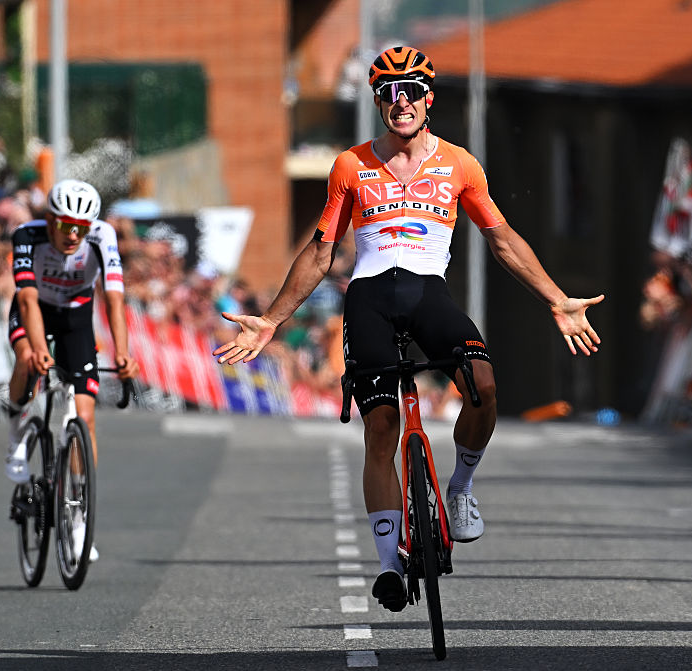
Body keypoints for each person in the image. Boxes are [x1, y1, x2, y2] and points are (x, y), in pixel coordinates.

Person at [213, 46, 603, 612]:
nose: (401, 101)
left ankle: (462, 487)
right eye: (388, 93)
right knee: (381, 429)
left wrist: (556, 299)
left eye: (411, 90)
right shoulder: (351, 166)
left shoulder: (461, 165)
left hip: (429, 294)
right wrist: (272, 320)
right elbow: (322, 253)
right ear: (377, 102)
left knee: (485, 388)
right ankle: (389, 566)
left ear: (428, 98)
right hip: (369, 297)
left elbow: (502, 239)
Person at [5, 179, 140, 561]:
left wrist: (125, 354)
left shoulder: (102, 236)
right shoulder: (26, 236)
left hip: (75, 316)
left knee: (86, 417)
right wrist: (35, 348)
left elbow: (114, 300)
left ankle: (79, 516)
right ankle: (16, 434)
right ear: (50, 221)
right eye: (65, 226)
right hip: (35, 309)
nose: (72, 235)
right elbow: (27, 300)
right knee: (26, 360)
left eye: (80, 229)